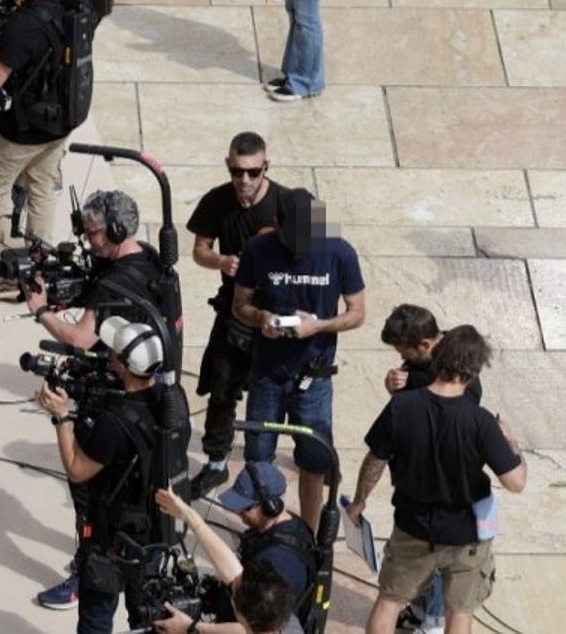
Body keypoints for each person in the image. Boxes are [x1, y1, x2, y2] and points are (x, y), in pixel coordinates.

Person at [26, 189, 164, 609]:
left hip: (111, 395)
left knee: (90, 495)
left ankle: (85, 574)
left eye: (94, 234)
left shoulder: (115, 280)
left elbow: (82, 338)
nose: (88, 241)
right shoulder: (151, 261)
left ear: (118, 231)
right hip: (146, 391)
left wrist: (41, 310)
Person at [345, 326, 527, 634]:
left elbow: (375, 459)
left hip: (412, 526)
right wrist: (511, 442)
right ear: (473, 369)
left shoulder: (401, 406)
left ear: (438, 358)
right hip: (465, 535)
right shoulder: (480, 421)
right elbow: (516, 482)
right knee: (459, 613)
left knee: (388, 601)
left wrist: (360, 501)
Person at [232, 188, 365, 532]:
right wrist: (262, 318)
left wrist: (318, 326)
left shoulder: (340, 252)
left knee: (315, 461)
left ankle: (308, 533)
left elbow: (357, 313)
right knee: (258, 457)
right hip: (267, 375)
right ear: (277, 224)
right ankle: (259, 531)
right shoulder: (257, 250)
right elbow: (239, 305)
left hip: (314, 377)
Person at [37, 315, 166, 634]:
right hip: (155, 530)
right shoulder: (170, 401)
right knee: (147, 618)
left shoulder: (115, 422)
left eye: (114, 352)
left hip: (112, 537)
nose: (108, 354)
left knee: (96, 617)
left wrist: (62, 417)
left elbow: (77, 470)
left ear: (123, 364)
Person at [0, 0, 75, 299]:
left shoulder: (23, 24)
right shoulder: (74, 8)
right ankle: (42, 266)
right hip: (62, 121)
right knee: (42, 187)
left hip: (25, 127)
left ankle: (16, 267)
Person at [187, 132, 289, 497]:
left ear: (266, 167)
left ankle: (264, 470)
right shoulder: (216, 201)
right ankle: (216, 464)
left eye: (252, 172)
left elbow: (322, 253)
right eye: (236, 171)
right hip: (234, 310)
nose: (244, 180)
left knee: (276, 397)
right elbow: (199, 249)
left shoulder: (290, 203)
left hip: (278, 315)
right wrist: (220, 261)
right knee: (221, 388)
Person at [379, 304, 481, 634]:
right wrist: (395, 382)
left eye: (403, 350)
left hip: (444, 486)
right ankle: (423, 608)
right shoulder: (427, 360)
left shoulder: (457, 363)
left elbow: (461, 402)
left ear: (425, 343)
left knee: (440, 561)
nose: (400, 356)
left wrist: (409, 389)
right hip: (416, 478)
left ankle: (434, 619)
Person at [155, 467, 315, 633]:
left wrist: (191, 628)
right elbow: (233, 572)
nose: (238, 512)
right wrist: (189, 516)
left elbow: (238, 630)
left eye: (234, 596)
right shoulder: (282, 618)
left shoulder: (281, 563)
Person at [154, 559, 301, 634]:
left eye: (233, 588)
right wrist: (191, 626)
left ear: (241, 614)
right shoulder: (281, 617)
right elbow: (240, 631)